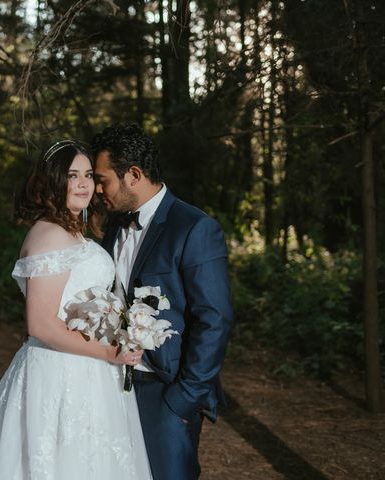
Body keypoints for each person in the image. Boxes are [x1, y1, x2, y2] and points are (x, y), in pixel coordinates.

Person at [0, 140, 152, 480]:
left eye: (87, 175)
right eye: (72, 175)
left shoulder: (72, 230)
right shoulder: (49, 234)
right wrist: (108, 352)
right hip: (62, 372)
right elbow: (40, 324)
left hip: (86, 367)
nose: (84, 184)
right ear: (54, 180)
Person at [92, 124, 234, 480]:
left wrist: (184, 398)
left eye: (102, 179)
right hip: (108, 386)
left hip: (165, 392)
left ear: (133, 175)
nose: (96, 188)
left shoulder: (194, 228)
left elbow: (214, 319)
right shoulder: (112, 226)